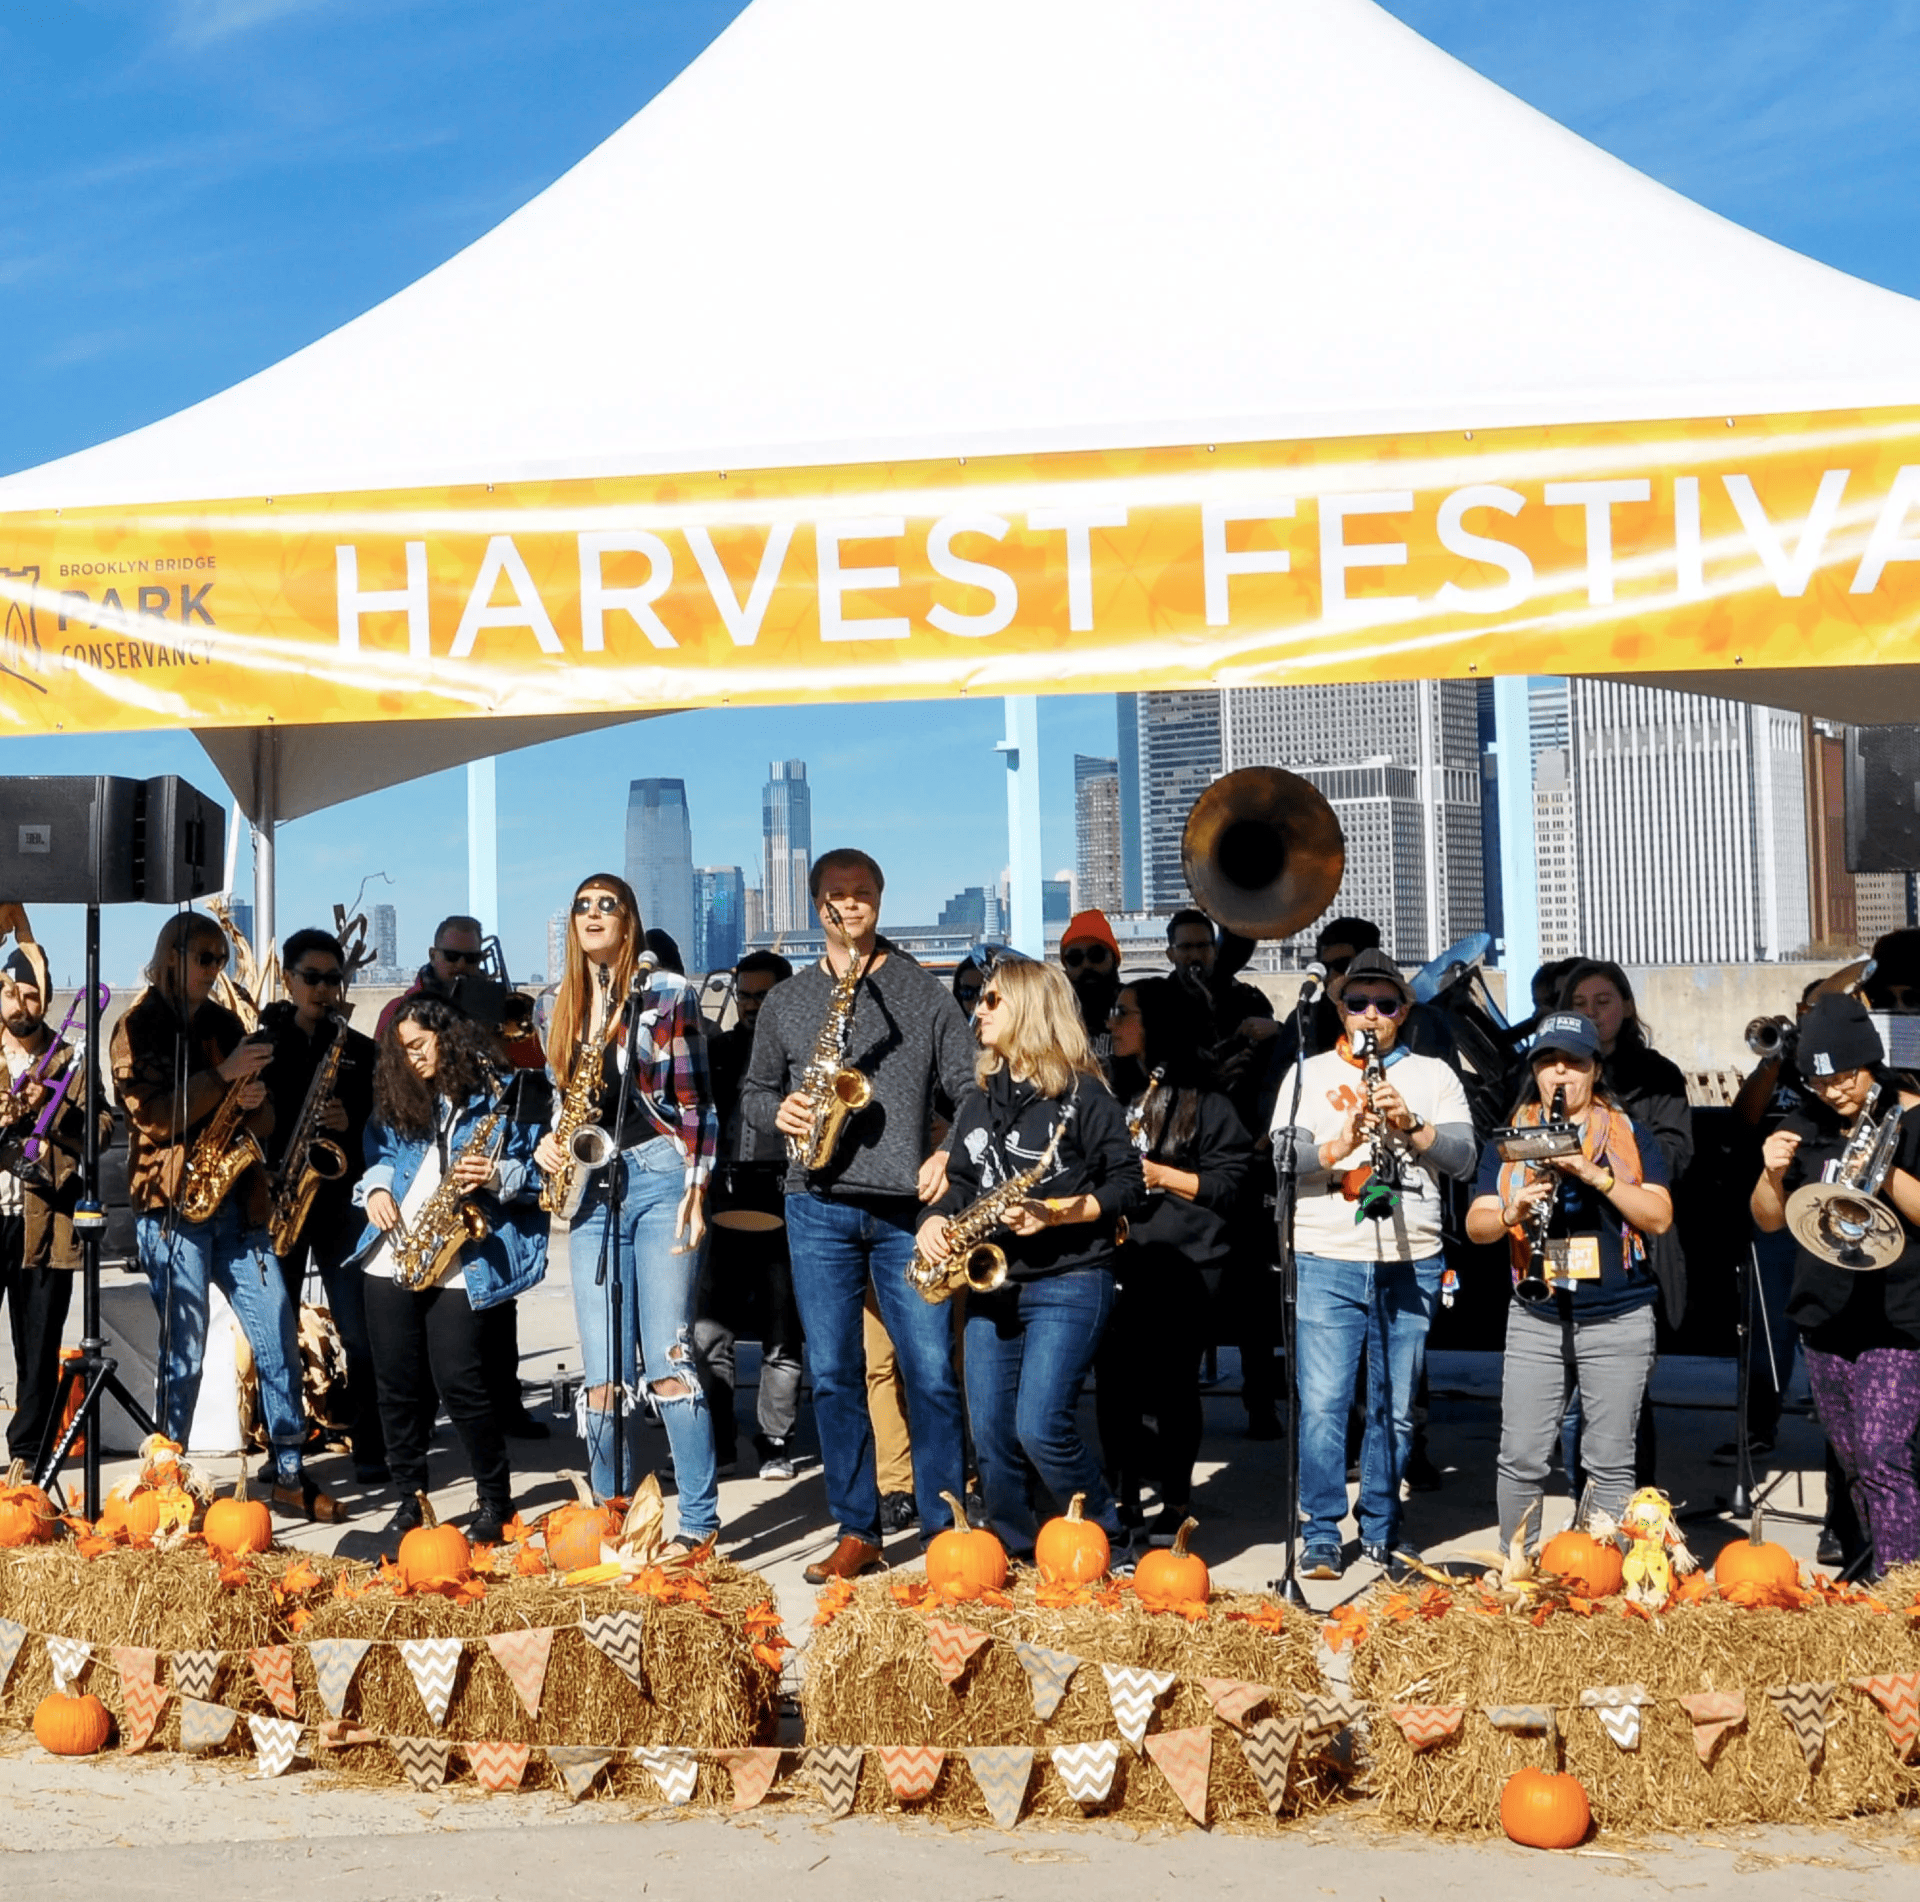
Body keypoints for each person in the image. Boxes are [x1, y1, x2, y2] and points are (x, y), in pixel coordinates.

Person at [742, 847, 977, 1582]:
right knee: (838, 1375)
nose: (850, 906)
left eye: (862, 894)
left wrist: (954, 1160)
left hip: (908, 1211)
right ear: (818, 907)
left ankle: (944, 1531)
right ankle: (858, 1528)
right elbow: (750, 1095)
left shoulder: (922, 993)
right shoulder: (785, 1002)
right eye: (836, 897)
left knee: (932, 1372)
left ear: (879, 898)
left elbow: (973, 1090)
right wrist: (775, 1109)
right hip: (815, 1204)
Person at [111, 913, 340, 1520]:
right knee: (183, 1350)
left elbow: (259, 1123)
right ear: (171, 956)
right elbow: (155, 1116)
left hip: (238, 1204)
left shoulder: (222, 1024)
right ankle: (168, 1479)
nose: (216, 970)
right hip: (171, 1207)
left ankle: (289, 1469)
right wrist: (225, 1077)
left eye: (221, 959)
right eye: (205, 959)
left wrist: (256, 1104)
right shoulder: (135, 1028)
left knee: (278, 1336)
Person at [920, 958, 1143, 1557]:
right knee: (990, 1432)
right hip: (999, 1284)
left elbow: (1130, 1184)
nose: (979, 1009)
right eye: (981, 1001)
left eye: (993, 1000)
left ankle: (1105, 1538)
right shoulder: (982, 1097)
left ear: (1029, 1009)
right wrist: (934, 1221)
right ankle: (1013, 1552)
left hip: (1071, 1279)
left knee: (1040, 1425)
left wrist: (1058, 1212)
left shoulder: (1083, 1094)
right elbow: (963, 1183)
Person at [1272, 949, 1478, 1578]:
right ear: (1340, 1008)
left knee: (1393, 1404)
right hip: (1328, 1253)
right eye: (1357, 1002)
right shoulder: (1306, 1074)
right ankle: (1322, 1533)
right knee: (1325, 1402)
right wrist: (1342, 1142)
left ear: (1403, 1011)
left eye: (1385, 1004)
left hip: (1409, 1256)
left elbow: (1465, 1159)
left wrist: (1410, 1127)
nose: (1371, 1014)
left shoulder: (1434, 1074)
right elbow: (1283, 1157)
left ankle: (1385, 1527)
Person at [537, 873, 719, 1546]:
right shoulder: (554, 1003)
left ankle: (698, 1528)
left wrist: (698, 1190)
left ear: (629, 919)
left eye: (605, 904)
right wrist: (549, 1144)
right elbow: (562, 1100)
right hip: (595, 1187)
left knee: (669, 1365)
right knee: (603, 1379)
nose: (591, 914)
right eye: (580, 904)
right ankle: (612, 1525)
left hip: (662, 1175)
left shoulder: (667, 994)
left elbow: (697, 1104)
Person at [1465, 1012, 1674, 1551]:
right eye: (1548, 1063)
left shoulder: (1630, 1134)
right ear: (1535, 1073)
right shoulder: (1510, 1142)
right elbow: (1477, 1226)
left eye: (1573, 1064)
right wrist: (1512, 1209)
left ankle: (1601, 1572)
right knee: (1522, 1457)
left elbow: (1658, 1217)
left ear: (1594, 1071)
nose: (1560, 1074)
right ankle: (1519, 1565)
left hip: (1618, 1316)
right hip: (1537, 1315)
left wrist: (1592, 1172)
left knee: (1609, 1459)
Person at [354, 994, 546, 1547]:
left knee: (461, 1380)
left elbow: (541, 1179)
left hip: (463, 1257)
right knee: (396, 1387)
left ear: (448, 1035)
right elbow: (379, 1150)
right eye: (400, 1050)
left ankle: (495, 1498)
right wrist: (377, 1187)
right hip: (393, 1249)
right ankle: (409, 1500)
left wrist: (497, 1175)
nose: (410, 1058)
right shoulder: (400, 1093)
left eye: (418, 1045)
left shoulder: (507, 1093)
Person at [1751, 995, 1920, 1574]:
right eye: (1819, 1081)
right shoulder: (1806, 1124)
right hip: (1824, 1318)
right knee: (1852, 1463)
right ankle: (1875, 1567)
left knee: (1883, 1456)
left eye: (1843, 1077)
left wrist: (1882, 1168)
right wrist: (1772, 1172)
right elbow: (1769, 1218)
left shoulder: (1912, 1116)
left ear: (1870, 1061)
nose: (1834, 1091)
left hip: (1897, 1318)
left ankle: (1904, 1589)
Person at [1097, 975, 1249, 1539]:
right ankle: (1124, 1503)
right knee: (1115, 1388)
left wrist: (1163, 1176)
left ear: (1156, 1025)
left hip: (1188, 1263)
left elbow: (1231, 1185)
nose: (1112, 1023)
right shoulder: (1111, 1092)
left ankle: (1178, 1503)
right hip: (1120, 1256)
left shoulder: (1205, 1099)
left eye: (1125, 1013)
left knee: (1172, 1388)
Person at [260, 929, 384, 1484]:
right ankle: (282, 1449)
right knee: (277, 1333)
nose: (324, 988)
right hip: (279, 1200)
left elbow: (387, 1133)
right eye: (312, 977)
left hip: (339, 1205)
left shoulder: (361, 1052)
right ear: (288, 979)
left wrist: (349, 1125)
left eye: (334, 978)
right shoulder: (262, 1044)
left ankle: (371, 1446)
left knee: (360, 1333)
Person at [694, 950, 809, 1481]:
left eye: (765, 996)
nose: (753, 1006)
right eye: (746, 996)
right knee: (708, 1329)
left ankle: (774, 1440)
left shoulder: (803, 1057)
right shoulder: (718, 1050)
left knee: (782, 1329)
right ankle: (718, 1441)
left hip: (784, 1194)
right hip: (722, 1191)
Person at [0, 942, 112, 1468]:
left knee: (41, 1346)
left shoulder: (71, 1058)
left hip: (44, 1221)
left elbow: (105, 1127)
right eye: (12, 994)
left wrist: (60, 1120)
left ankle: (29, 1457)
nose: (22, 1005)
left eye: (32, 995)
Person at [375, 914, 487, 1043]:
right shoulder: (397, 1010)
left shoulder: (495, 1006)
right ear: (433, 956)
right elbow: (381, 1060)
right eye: (451, 956)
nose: (461, 965)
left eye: (471, 958)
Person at [1058, 910, 1123, 1071]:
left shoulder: (1140, 1007)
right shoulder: (1053, 1016)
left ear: (1114, 959)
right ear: (1065, 967)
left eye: (1096, 955)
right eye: (1075, 958)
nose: (1086, 965)